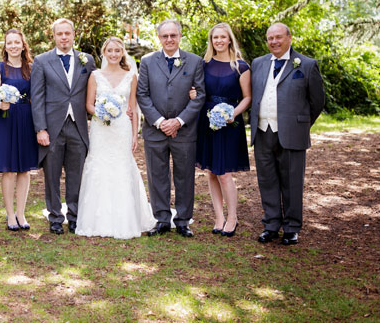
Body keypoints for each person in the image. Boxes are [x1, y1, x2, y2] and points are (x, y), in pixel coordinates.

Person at [251, 23, 325, 246]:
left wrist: (300, 124)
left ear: (289, 38)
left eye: (278, 37)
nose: (273, 42)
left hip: (293, 133)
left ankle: (292, 227)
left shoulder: (307, 65)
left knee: (292, 182)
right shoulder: (258, 64)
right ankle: (271, 225)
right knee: (267, 180)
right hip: (263, 132)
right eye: (270, 38)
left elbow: (317, 102)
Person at [76, 37, 156, 239]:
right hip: (100, 129)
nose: (113, 54)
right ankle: (96, 219)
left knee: (122, 166)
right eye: (110, 50)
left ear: (122, 53)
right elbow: (88, 105)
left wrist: (135, 134)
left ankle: (125, 219)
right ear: (104, 52)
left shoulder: (131, 76)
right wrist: (101, 113)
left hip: (122, 128)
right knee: (99, 167)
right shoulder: (95, 76)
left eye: (117, 51)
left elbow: (134, 108)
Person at [136, 19, 205, 237]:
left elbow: (200, 95)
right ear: (159, 38)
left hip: (184, 131)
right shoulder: (147, 62)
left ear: (180, 36)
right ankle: (162, 219)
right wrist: (160, 122)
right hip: (155, 131)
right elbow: (142, 95)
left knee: (184, 176)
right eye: (165, 36)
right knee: (157, 176)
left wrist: (178, 121)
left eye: (173, 35)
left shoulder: (194, 62)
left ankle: (183, 221)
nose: (169, 39)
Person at [31, 18, 96, 234]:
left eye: (67, 33)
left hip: (78, 126)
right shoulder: (42, 61)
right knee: (51, 175)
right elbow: (37, 97)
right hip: (52, 127)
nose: (64, 37)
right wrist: (41, 129)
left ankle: (75, 216)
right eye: (60, 34)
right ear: (54, 36)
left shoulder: (87, 60)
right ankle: (55, 217)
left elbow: (96, 90)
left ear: (73, 34)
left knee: (76, 174)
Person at [194, 23, 251, 237]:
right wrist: (193, 95)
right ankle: (218, 216)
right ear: (211, 41)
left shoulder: (241, 66)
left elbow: (247, 97)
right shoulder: (204, 64)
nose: (218, 41)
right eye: (215, 37)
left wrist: (232, 114)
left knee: (225, 174)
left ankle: (233, 217)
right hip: (206, 121)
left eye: (222, 37)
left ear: (229, 39)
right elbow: (198, 90)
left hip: (229, 123)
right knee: (211, 172)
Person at [0, 29, 38, 231]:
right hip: (6, 119)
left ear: (23, 45)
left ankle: (21, 213)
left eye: (17, 42)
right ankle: (10, 215)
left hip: (26, 118)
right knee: (8, 169)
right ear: (5, 45)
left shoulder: (31, 68)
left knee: (24, 169)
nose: (14, 46)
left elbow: (37, 95)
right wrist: (0, 105)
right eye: (10, 43)